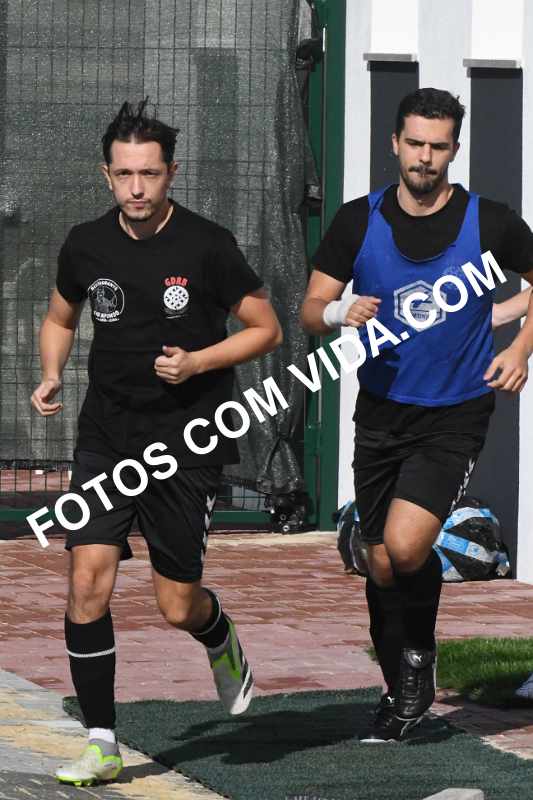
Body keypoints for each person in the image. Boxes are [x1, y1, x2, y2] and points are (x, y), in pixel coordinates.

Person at [31, 99, 282, 785]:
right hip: (106, 438)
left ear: (170, 173)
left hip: (186, 441)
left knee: (176, 604)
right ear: (106, 175)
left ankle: (217, 632)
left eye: (149, 174)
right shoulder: (86, 243)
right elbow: (59, 317)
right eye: (124, 174)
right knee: (87, 581)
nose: (136, 188)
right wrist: (51, 371)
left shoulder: (207, 245)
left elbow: (266, 328)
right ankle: (102, 741)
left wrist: (199, 362)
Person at [301, 88, 533, 742]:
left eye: (438, 146)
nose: (425, 157)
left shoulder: (490, 222)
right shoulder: (358, 220)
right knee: (376, 561)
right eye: (415, 144)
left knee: (405, 546)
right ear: (394, 144)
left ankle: (416, 662)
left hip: (454, 413)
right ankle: (397, 687)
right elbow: (310, 308)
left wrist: (519, 348)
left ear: (453, 150)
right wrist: (338, 312)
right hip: (379, 412)